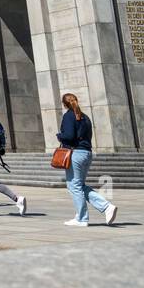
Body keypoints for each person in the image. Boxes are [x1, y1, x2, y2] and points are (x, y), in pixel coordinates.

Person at [57, 93, 118, 227]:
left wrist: (59, 135)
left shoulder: (69, 116)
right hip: (86, 153)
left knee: (74, 186)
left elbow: (69, 136)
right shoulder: (85, 117)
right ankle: (106, 207)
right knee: (80, 185)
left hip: (75, 153)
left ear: (64, 104)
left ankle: (82, 218)